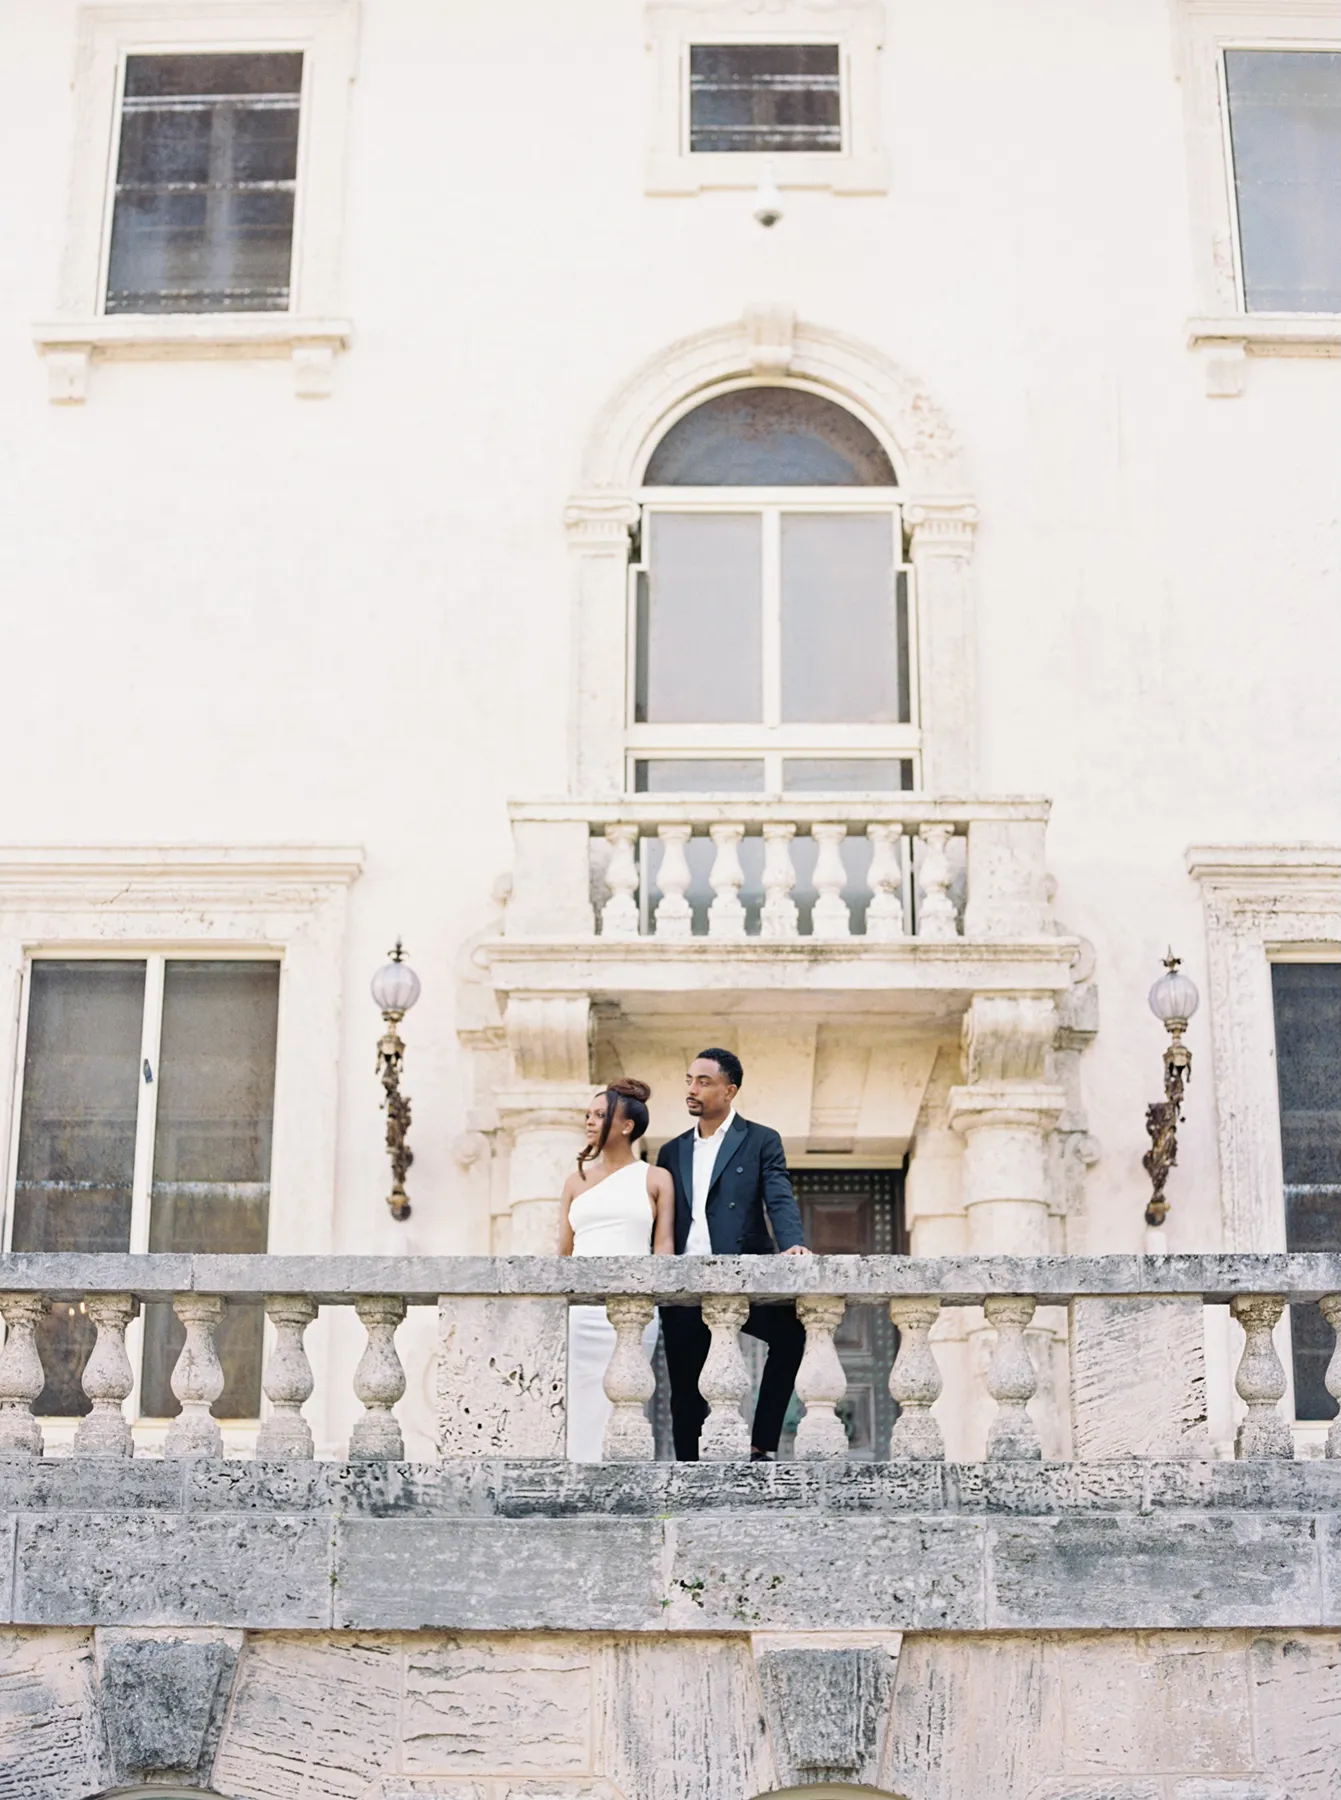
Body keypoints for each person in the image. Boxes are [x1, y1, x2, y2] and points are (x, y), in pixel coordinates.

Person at [656, 1049, 810, 1461]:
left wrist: (791, 1241)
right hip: (686, 1279)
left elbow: (778, 1194)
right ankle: (688, 1466)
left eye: (703, 1081)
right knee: (685, 1383)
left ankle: (762, 1444)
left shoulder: (760, 1139)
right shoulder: (671, 1152)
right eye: (689, 1079)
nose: (692, 1089)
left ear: (730, 1090)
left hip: (745, 1273)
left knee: (794, 1336)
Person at [559, 1079, 675, 1461]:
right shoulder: (575, 1182)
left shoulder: (656, 1179)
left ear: (626, 1126)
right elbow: (563, 1254)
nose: (590, 1123)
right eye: (588, 1115)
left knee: (625, 1398)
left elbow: (663, 1250)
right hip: (580, 1315)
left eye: (599, 1115)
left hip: (632, 1314)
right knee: (577, 1399)